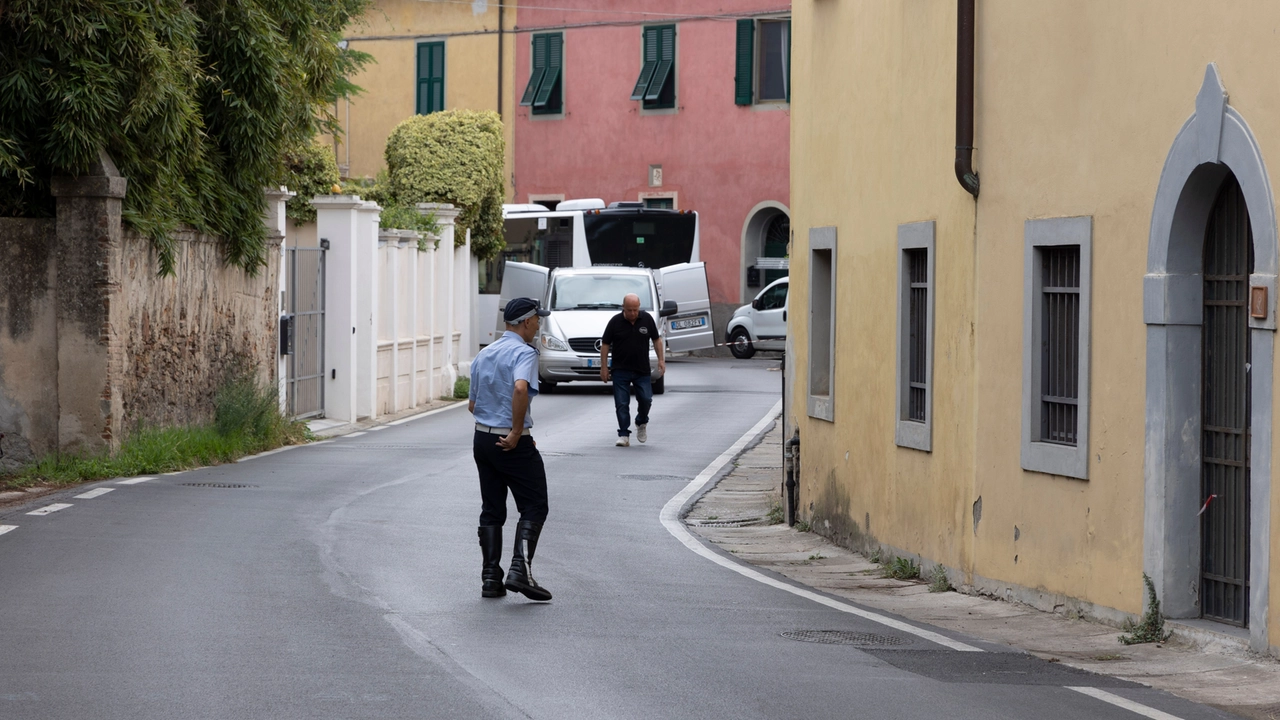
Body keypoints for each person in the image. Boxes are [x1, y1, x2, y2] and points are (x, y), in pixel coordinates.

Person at [468, 297, 553, 601]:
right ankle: (521, 569)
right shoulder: (524, 353)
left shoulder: (485, 353)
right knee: (534, 505)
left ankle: (491, 578)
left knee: (492, 508)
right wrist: (516, 431)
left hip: (482, 438)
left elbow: (472, 404)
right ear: (526, 321)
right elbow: (520, 388)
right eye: (537, 320)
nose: (538, 324)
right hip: (511, 441)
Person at [599, 292, 665, 447]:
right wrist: (604, 368)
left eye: (635, 309)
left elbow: (657, 340)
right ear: (623, 308)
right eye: (629, 310)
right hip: (620, 369)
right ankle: (623, 434)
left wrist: (661, 360)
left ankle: (641, 422)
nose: (633, 313)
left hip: (642, 370)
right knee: (622, 403)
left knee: (646, 399)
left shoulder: (647, 319)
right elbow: (605, 344)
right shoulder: (615, 322)